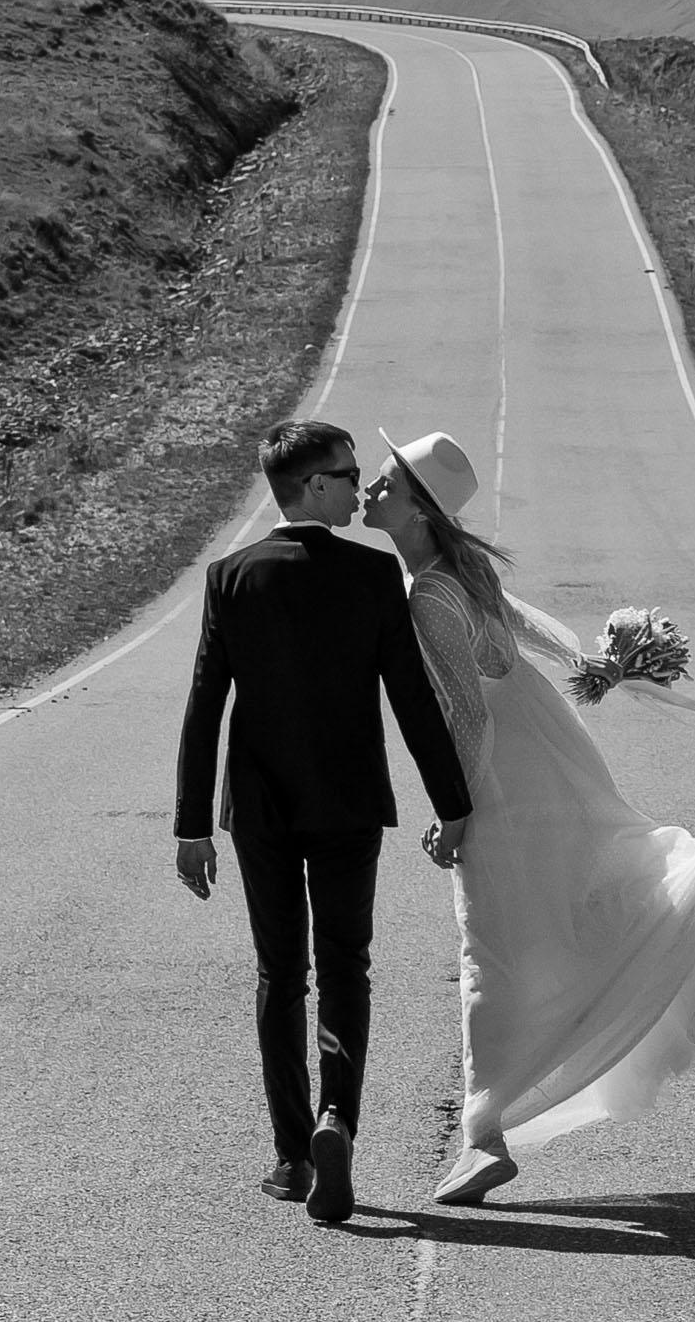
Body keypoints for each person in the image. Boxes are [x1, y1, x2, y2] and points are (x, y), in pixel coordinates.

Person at [363, 428, 695, 1208]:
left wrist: (457, 813)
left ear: (419, 512)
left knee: (497, 947)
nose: (370, 494)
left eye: (384, 485)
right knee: (580, 893)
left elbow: (466, 716)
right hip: (544, 744)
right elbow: (538, 634)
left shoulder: (427, 595)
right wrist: (593, 669)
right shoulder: (460, 573)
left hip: (503, 772)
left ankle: (482, 1140)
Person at [172, 416, 472, 1228]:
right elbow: (410, 699)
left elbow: (206, 705)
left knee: (279, 974)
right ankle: (337, 1116)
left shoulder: (230, 576)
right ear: (310, 486)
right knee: (346, 968)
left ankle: (291, 1155)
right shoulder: (372, 577)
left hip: (260, 811)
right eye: (345, 475)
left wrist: (191, 824)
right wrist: (453, 802)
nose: (356, 487)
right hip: (347, 805)